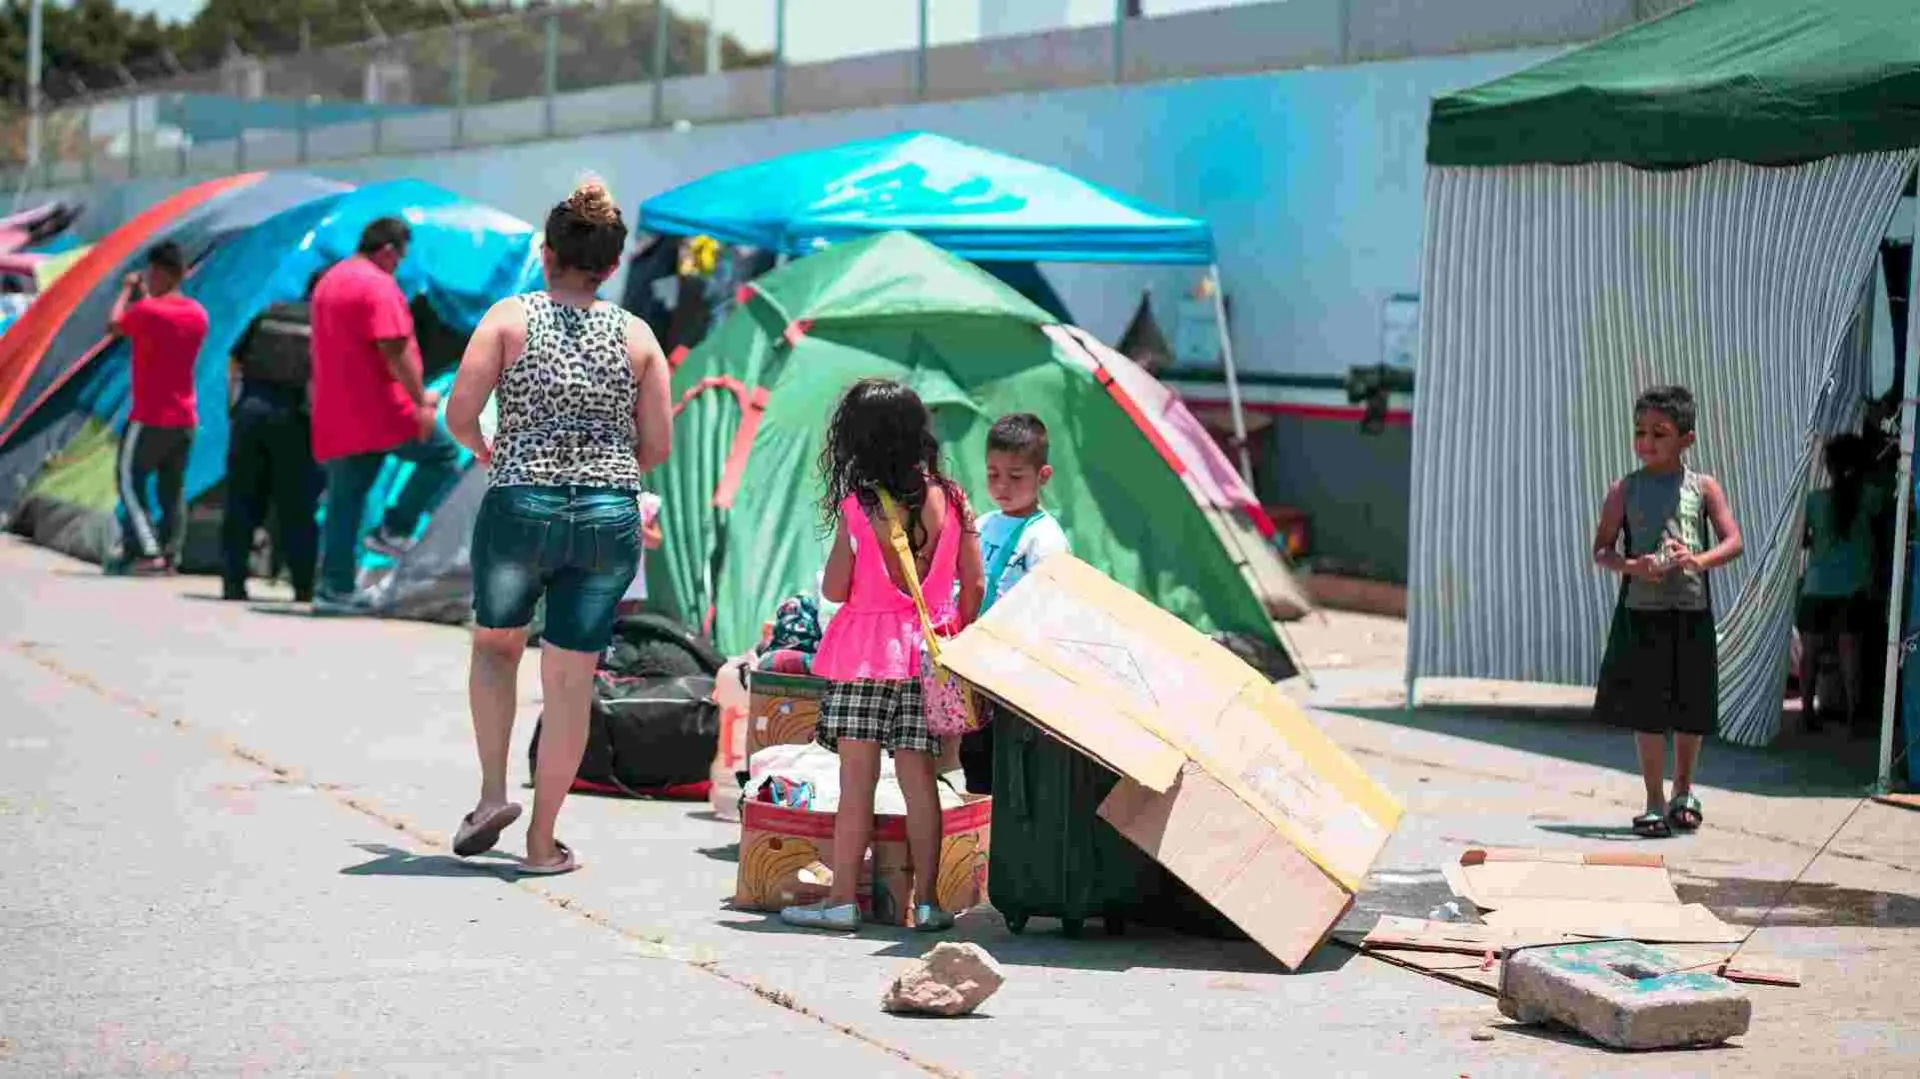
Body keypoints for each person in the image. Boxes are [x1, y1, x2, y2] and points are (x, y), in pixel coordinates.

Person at [442, 178, 672, 875]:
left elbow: (459, 412)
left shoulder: (508, 319)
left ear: (547, 253)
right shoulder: (637, 335)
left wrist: (490, 450)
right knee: (570, 679)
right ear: (610, 264)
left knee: (496, 646)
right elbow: (656, 445)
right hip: (607, 510)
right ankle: (542, 841)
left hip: (521, 501)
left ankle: (490, 797)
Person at [780, 379, 986, 933]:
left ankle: (842, 898)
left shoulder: (858, 505)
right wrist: (954, 632)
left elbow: (835, 589)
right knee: (922, 783)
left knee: (857, 782)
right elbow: (975, 584)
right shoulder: (955, 498)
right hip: (927, 657)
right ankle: (928, 903)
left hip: (865, 658)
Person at [1590, 385, 1743, 838]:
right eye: (1640, 432)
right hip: (1643, 611)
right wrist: (1634, 565)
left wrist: (1696, 560)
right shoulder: (1625, 490)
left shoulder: (1704, 487)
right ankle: (1654, 798)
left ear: (1686, 439)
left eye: (1660, 433)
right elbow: (1601, 550)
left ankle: (1684, 790)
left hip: (1692, 610)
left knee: (1690, 707)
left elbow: (1734, 541)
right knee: (1648, 710)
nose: (1647, 442)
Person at [308, 216, 463, 615]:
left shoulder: (330, 281)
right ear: (389, 250)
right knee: (443, 454)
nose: (399, 266)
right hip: (381, 409)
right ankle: (394, 529)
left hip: (338, 409)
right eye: (400, 258)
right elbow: (393, 348)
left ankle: (334, 589)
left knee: (346, 501)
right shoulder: (376, 285)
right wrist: (421, 401)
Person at [958, 413, 1072, 795]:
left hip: (1015, 670)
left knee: (1007, 758)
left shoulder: (1046, 539)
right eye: (993, 474)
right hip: (977, 663)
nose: (1002, 485)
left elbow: (1054, 608)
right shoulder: (985, 522)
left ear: (1043, 476)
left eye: (1016, 476)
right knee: (973, 753)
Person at [220, 273, 326, 602]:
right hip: (294, 418)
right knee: (297, 505)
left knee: (242, 500)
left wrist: (234, 406)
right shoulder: (325, 323)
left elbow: (235, 360)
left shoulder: (270, 312)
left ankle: (233, 582)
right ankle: (304, 586)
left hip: (250, 412)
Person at [109, 241, 210, 575]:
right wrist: (145, 298)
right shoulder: (198, 314)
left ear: (160, 272)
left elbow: (115, 326)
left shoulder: (148, 311)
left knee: (128, 481)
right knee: (172, 490)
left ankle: (147, 549)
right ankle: (170, 554)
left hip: (149, 415)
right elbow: (154, 326)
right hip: (185, 417)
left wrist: (126, 291)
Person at [1797, 434, 1885, 731]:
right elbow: (1884, 531)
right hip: (1853, 586)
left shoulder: (1815, 501)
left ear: (1830, 466)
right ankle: (1854, 716)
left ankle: (1807, 712)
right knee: (1851, 653)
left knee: (1810, 654)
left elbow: (1802, 540)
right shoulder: (1872, 497)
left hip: (1816, 585)